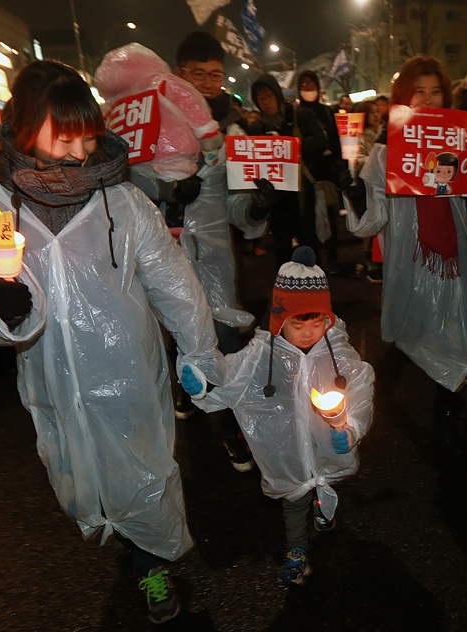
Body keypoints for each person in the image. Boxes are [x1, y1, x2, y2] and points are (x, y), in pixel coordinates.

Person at [0, 60, 226, 624]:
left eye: (87, 135)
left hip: (128, 372)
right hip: (54, 376)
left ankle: (151, 563)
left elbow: (174, 282)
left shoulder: (122, 202)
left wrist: (199, 351)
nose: (78, 150)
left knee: (145, 471)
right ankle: (126, 539)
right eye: (63, 135)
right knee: (82, 473)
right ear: (24, 127)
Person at [340, 55, 467, 455]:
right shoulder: (385, 154)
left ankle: (448, 411)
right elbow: (372, 218)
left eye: (437, 91)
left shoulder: (464, 139)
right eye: (420, 91)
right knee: (415, 328)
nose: (429, 100)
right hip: (409, 259)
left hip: (455, 257)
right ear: (404, 96)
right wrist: (356, 194)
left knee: (455, 330)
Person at [178, 247, 374, 587]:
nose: (310, 332)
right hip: (287, 454)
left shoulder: (337, 351)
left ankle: (322, 506)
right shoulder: (261, 355)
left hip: (324, 444)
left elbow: (360, 389)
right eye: (300, 324)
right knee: (293, 500)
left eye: (318, 322)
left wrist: (353, 427)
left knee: (325, 480)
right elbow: (231, 378)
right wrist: (203, 385)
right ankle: (296, 550)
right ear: (281, 319)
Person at [172, 31, 261, 473]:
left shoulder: (232, 127)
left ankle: (231, 428)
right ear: (177, 75)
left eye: (215, 75)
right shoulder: (157, 125)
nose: (207, 84)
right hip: (163, 252)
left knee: (224, 336)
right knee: (176, 329)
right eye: (197, 74)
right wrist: (166, 192)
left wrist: (256, 203)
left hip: (215, 253)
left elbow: (239, 203)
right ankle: (184, 386)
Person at [247, 73, 330, 267]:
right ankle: (285, 287)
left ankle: (314, 282)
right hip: (276, 194)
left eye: (268, 95)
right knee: (281, 243)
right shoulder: (257, 127)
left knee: (307, 238)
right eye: (260, 98)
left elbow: (320, 142)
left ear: (277, 94)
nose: (265, 102)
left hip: (302, 192)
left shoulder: (299, 115)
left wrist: (289, 145)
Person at [297, 69, 344, 273]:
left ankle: (332, 256)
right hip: (306, 175)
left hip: (326, 173)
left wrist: (337, 164)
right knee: (308, 219)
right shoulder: (295, 115)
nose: (308, 88)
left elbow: (335, 141)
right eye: (304, 85)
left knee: (330, 215)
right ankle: (314, 261)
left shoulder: (327, 111)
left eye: (311, 84)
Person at [352, 99, 384, 283]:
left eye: (377, 111)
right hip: (368, 185)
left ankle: (381, 259)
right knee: (370, 221)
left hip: (384, 184)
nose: (376, 115)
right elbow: (356, 160)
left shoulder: (383, 132)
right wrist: (374, 161)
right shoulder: (360, 136)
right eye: (372, 112)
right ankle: (370, 261)